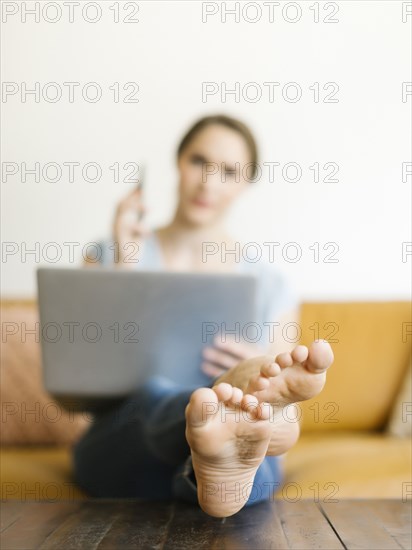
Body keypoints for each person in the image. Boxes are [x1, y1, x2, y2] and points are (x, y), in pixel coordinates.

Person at [74, 115, 334, 518]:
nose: (208, 183)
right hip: (125, 436)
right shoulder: (110, 254)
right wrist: (122, 272)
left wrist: (257, 367)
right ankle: (220, 429)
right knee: (162, 398)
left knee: (250, 440)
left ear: (246, 183)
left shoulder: (268, 283)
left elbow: (283, 369)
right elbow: (78, 383)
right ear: (178, 162)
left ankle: (217, 462)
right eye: (199, 161)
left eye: (228, 171)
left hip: (173, 470)